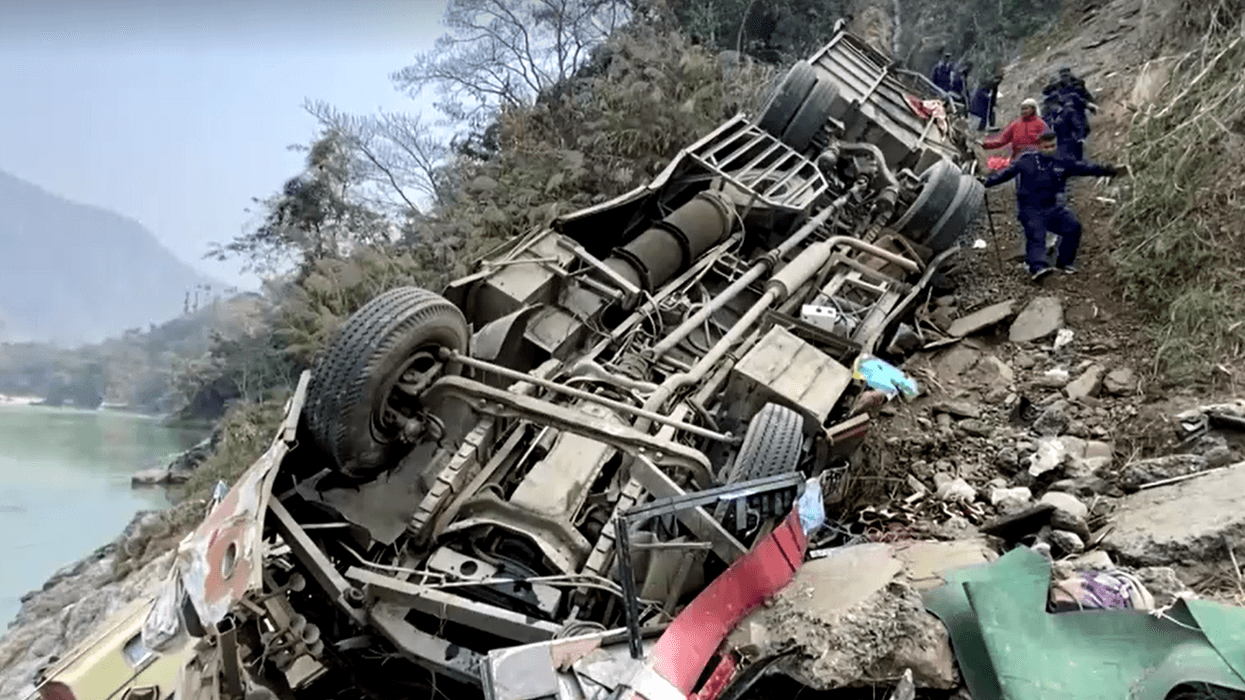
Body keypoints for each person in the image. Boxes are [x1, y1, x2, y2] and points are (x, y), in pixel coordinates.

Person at [981, 131, 1127, 282]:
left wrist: (1112, 170)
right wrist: (986, 182)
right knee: (1036, 234)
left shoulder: (1061, 162)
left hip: (1051, 207)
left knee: (1073, 227)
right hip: (1030, 209)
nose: (1050, 149)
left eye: (1053, 146)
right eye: (1046, 147)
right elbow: (1005, 174)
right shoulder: (1026, 161)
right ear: (1039, 146)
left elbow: (1086, 168)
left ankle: (1064, 263)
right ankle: (1038, 267)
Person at [981, 98, 1048, 159]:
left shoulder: (1041, 124)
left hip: (1035, 158)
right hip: (1017, 159)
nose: (1023, 111)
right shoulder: (1015, 124)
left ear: (1033, 109)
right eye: (1022, 109)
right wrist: (984, 144)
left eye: (1026, 109)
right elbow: (1003, 140)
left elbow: (1048, 142)